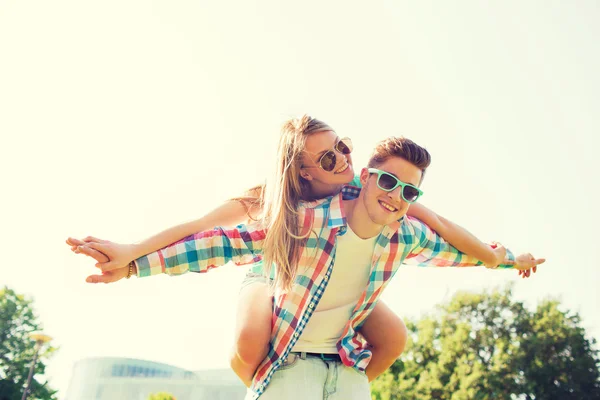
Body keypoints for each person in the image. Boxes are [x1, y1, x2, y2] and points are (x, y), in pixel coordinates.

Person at [69, 118, 543, 399]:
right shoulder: (288, 212)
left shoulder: (393, 215)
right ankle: (262, 379)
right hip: (274, 270)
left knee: (393, 335)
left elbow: (451, 238)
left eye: (344, 150)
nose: (343, 160)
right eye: (330, 159)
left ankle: (337, 371)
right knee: (254, 333)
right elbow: (206, 237)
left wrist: (504, 258)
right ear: (303, 169)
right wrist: (132, 259)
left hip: (338, 295)